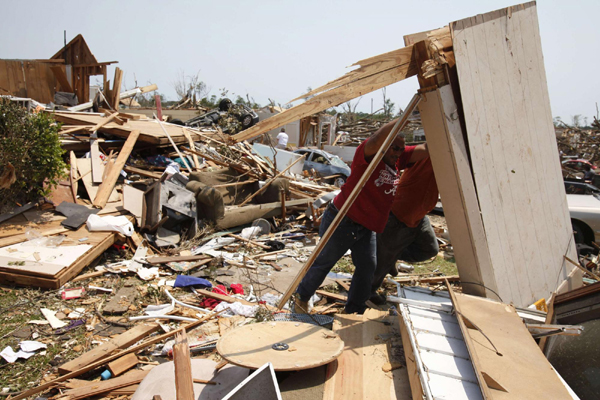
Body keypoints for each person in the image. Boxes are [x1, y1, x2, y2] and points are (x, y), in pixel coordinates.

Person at [294, 119, 429, 314]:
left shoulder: (399, 158)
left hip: (366, 227)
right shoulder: (367, 155)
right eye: (393, 148)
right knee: (325, 262)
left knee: (367, 268)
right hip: (343, 220)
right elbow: (376, 138)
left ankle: (354, 311)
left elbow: (426, 148)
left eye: (400, 149)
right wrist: (402, 119)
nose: (397, 152)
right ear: (384, 146)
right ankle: (301, 298)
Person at [369, 148, 440, 304]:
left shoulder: (450, 158)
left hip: (419, 215)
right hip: (399, 214)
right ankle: (368, 293)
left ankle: (393, 257)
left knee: (429, 249)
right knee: (381, 262)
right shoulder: (426, 152)